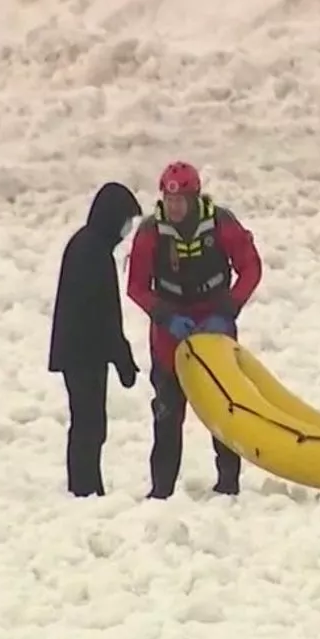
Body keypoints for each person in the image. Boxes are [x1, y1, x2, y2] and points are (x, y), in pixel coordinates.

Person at [125, 160, 263, 499]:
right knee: (167, 415)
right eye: (168, 200)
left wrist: (230, 307)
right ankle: (161, 490)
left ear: (194, 198)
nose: (173, 206)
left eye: (179, 201)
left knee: (225, 407)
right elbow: (136, 286)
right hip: (170, 337)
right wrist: (163, 314)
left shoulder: (221, 224)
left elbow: (250, 268)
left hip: (215, 329)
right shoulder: (150, 232)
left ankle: (229, 483)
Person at [48, 182, 143, 497]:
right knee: (90, 425)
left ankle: (85, 485)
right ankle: (85, 489)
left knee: (86, 423)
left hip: (78, 353)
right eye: (126, 221)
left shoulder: (86, 245)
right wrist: (123, 359)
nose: (127, 230)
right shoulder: (93, 254)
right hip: (84, 356)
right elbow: (105, 315)